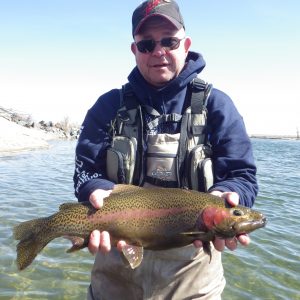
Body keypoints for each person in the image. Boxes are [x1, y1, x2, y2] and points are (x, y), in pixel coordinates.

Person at [73, 0, 258, 299]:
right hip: (116, 257)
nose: (158, 51)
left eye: (168, 41)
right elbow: (85, 171)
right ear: (135, 51)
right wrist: (95, 189)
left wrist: (228, 194)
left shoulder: (217, 106)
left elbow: (241, 175)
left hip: (191, 276)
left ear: (185, 44)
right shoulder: (108, 106)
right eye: (146, 44)